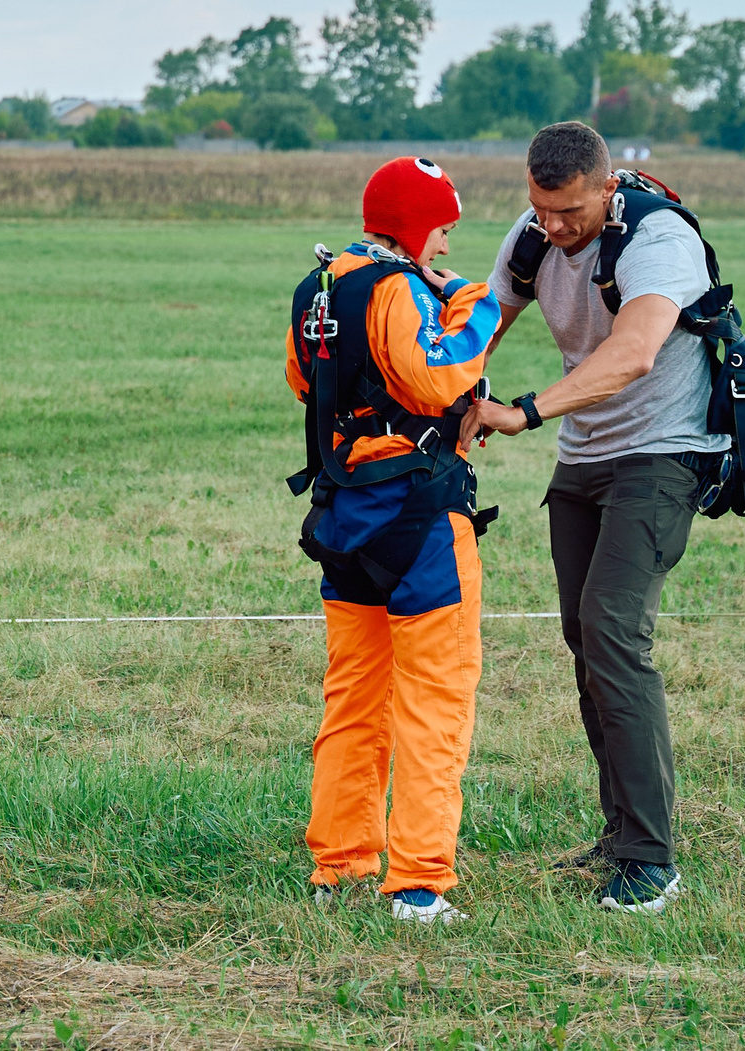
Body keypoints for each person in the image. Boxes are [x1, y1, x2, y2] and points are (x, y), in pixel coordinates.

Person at [468, 121, 726, 915]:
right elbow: (485, 322)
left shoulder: (656, 238)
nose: (554, 226)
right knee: (584, 636)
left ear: (606, 188)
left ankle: (652, 860)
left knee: (614, 628)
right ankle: (620, 836)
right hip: (585, 458)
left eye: (570, 212)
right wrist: (445, 388)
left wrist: (524, 410)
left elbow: (636, 350)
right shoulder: (533, 234)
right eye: (541, 209)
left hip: (663, 452)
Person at [284, 156, 501, 925]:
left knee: (353, 699)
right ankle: (416, 882)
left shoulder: (318, 288)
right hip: (420, 522)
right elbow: (438, 378)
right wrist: (478, 306)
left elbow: (304, 382)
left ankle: (337, 865)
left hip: (343, 517)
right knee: (434, 703)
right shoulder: (398, 288)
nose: (446, 243)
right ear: (414, 225)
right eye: (441, 227)